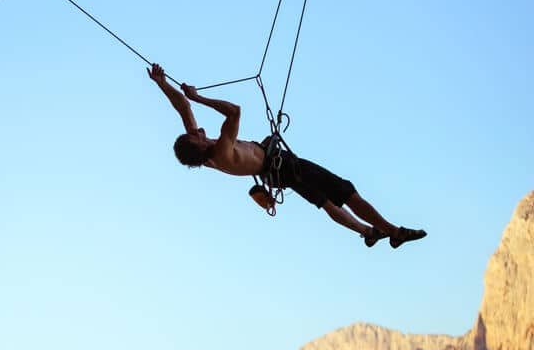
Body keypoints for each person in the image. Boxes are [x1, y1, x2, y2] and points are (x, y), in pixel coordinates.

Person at [148, 63, 426, 248]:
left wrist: (161, 83)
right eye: (193, 135)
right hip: (283, 167)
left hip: (279, 172)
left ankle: (368, 232)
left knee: (328, 203)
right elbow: (234, 110)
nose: (196, 131)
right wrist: (199, 98)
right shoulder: (220, 150)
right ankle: (392, 231)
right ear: (196, 147)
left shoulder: (207, 150)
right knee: (345, 192)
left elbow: (181, 107)